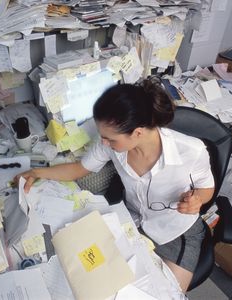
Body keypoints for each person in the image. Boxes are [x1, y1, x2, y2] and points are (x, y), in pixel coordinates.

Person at [16, 78, 215, 292]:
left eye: (110, 139)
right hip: (133, 221)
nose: (104, 143)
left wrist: (197, 200)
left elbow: (207, 188)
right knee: (102, 283)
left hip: (176, 232)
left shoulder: (191, 150)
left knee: (167, 294)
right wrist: (37, 172)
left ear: (137, 133)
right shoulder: (112, 145)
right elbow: (79, 169)